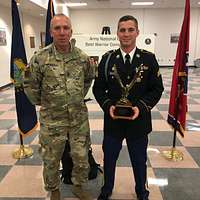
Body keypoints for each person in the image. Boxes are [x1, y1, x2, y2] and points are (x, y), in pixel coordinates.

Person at [23, 14, 95, 200]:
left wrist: (76, 97)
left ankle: (79, 186)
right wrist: (46, 103)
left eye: (66, 28)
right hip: (52, 120)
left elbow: (88, 80)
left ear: (71, 31)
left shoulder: (82, 58)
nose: (62, 32)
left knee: (81, 157)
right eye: (57, 28)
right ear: (51, 32)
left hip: (78, 119)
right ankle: (53, 189)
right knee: (51, 159)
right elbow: (30, 86)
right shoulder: (40, 58)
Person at [93, 15, 164, 200]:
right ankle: (106, 189)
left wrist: (141, 106)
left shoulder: (148, 59)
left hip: (138, 121)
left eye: (130, 29)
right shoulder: (108, 59)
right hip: (113, 121)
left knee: (139, 161)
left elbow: (157, 88)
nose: (126, 34)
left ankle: (142, 191)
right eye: (122, 30)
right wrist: (107, 105)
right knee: (109, 159)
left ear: (137, 32)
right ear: (117, 33)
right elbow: (98, 88)